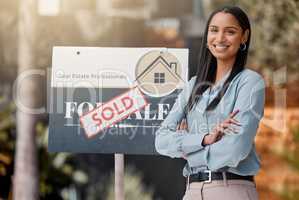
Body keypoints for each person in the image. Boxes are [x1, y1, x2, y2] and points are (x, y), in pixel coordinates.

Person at [155, 5, 265, 200]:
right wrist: (204, 139)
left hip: (230, 189)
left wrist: (188, 151)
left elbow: (235, 149)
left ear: (244, 37)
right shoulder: (192, 86)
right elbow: (161, 140)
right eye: (214, 30)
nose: (220, 38)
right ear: (207, 36)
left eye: (230, 32)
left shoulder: (249, 82)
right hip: (192, 191)